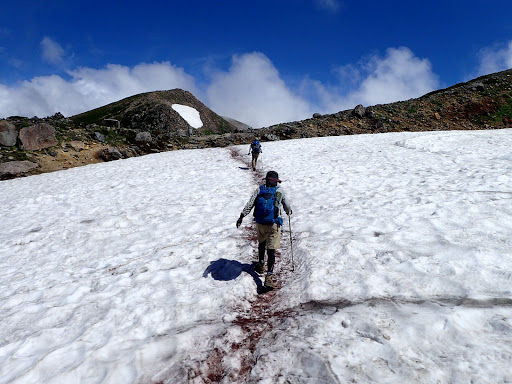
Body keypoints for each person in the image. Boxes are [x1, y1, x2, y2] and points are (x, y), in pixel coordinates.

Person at [236, 170, 292, 289]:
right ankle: (269, 277)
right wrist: (288, 212)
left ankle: (261, 264)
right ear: (276, 181)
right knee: (271, 250)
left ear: (266, 180)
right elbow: (286, 205)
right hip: (274, 223)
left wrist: (242, 216)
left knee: (261, 243)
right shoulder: (279, 190)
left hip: (260, 222)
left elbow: (250, 204)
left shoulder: (259, 189)